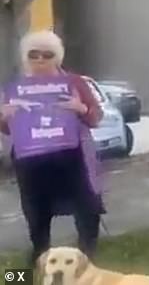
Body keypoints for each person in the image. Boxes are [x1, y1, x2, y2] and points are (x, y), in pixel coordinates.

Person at [0, 31, 104, 266]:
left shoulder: (74, 82)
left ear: (57, 57)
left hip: (73, 159)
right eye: (33, 54)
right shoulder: (15, 88)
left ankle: (85, 267)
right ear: (25, 57)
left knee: (87, 213)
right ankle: (23, 278)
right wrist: (4, 117)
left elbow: (96, 117)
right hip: (32, 162)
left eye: (47, 55)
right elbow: (7, 129)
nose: (40, 60)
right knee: (37, 223)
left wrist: (81, 109)